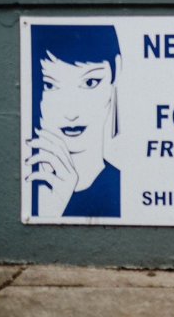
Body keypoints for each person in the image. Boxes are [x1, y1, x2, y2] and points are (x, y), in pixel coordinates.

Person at [25, 24, 123, 218]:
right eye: (50, 85)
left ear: (116, 72)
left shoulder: (124, 187)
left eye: (90, 82)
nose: (71, 113)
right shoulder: (29, 187)